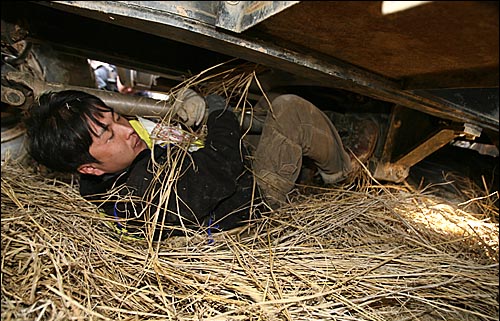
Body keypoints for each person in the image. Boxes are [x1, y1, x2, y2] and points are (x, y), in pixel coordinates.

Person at [24, 89, 377, 241]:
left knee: (260, 136)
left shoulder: (100, 181)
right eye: (108, 134)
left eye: (116, 117)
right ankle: (342, 175)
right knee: (289, 111)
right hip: (250, 204)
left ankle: (321, 156)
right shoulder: (146, 189)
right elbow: (222, 166)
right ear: (89, 167)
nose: (125, 129)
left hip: (220, 194)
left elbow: (167, 146)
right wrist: (218, 112)